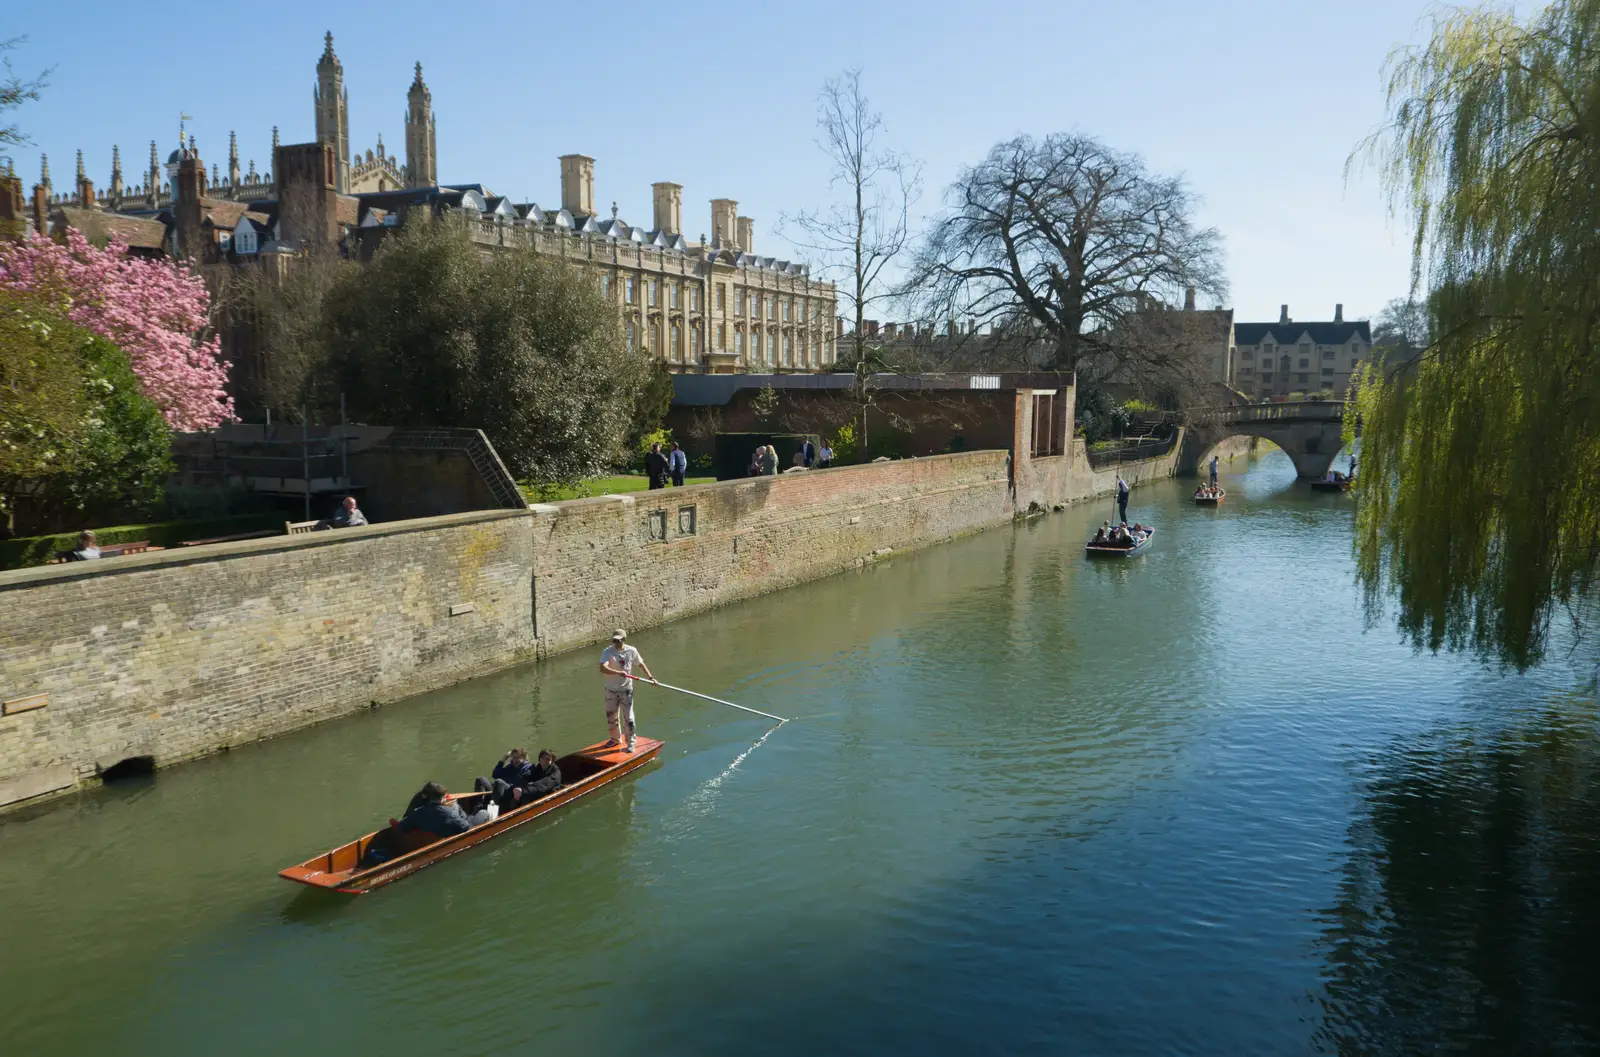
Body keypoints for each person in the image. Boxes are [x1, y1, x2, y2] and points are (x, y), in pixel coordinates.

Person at [599, 629, 656, 753]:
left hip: (626, 690)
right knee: (611, 716)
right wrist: (618, 672)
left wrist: (650, 678)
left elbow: (640, 664)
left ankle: (631, 743)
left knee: (628, 718)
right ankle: (615, 739)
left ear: (624, 639)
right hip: (611, 690)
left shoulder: (632, 650)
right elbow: (603, 668)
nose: (616, 643)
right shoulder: (607, 652)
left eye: (618, 640)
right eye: (614, 640)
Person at [398, 781, 496, 839]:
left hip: (436, 832)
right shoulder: (448, 813)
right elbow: (466, 827)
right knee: (484, 812)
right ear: (442, 798)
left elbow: (402, 826)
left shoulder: (417, 812)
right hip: (458, 829)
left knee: (455, 804)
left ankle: (469, 814)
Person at [475, 748, 561, 810]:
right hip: (508, 790)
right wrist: (502, 760)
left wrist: (521, 790)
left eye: (547, 759)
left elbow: (541, 785)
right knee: (482, 780)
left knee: (499, 783)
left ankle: (497, 811)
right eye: (542, 758)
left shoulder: (553, 773)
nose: (544, 761)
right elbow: (495, 774)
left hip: (532, 793)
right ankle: (479, 807)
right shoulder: (535, 768)